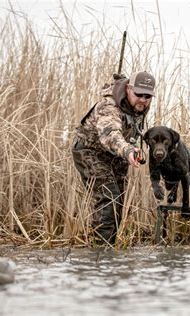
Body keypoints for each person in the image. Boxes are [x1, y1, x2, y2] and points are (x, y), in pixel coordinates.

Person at [71, 71, 156, 245]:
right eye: (138, 94)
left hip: (116, 155)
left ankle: (112, 250)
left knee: (119, 203)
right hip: (91, 151)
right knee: (109, 197)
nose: (143, 99)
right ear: (128, 89)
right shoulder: (108, 105)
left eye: (147, 96)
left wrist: (135, 149)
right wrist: (127, 151)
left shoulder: (140, 105)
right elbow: (110, 134)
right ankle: (101, 252)